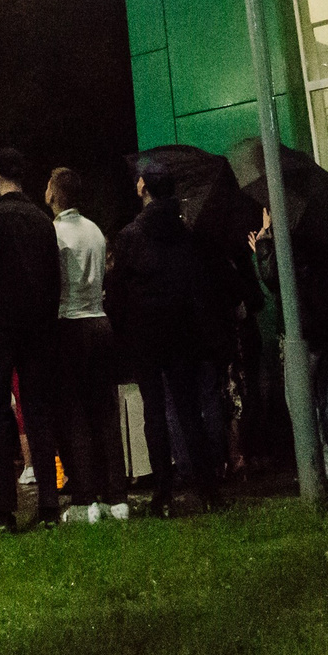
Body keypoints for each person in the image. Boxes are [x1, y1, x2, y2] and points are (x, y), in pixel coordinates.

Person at [105, 162, 216, 517]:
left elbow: (118, 291)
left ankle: (163, 494)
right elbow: (197, 284)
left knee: (153, 414)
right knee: (189, 412)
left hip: (145, 336)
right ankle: (208, 490)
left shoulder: (130, 235)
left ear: (142, 187)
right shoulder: (186, 233)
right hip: (182, 333)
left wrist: (124, 331)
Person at [0, 148, 62, 532]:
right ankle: (49, 506)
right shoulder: (41, 219)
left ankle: (4, 512)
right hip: (36, 328)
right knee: (36, 411)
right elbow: (53, 280)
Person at [250, 192, 328, 486]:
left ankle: (319, 474)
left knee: (302, 404)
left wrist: (264, 243)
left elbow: (274, 278)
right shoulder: (327, 240)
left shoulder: (289, 244)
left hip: (304, 335)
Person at [42, 166, 126, 523]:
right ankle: (116, 496)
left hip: (70, 325)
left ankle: (84, 497)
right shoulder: (94, 230)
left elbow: (52, 283)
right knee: (104, 411)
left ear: (55, 194)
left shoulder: (54, 233)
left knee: (73, 412)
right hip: (100, 321)